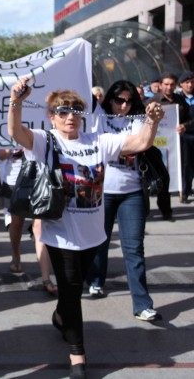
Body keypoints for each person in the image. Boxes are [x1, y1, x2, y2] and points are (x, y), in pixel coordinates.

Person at [8, 78, 164, 378]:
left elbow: (141, 142)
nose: (70, 117)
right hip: (60, 234)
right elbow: (15, 131)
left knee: (71, 293)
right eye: (63, 112)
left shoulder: (98, 141)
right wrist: (15, 99)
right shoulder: (47, 140)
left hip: (93, 235)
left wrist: (151, 121)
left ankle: (59, 316)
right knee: (71, 291)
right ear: (52, 116)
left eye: (75, 111)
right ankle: (77, 355)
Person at [86, 80, 160, 322]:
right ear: (110, 100)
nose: (124, 105)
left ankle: (142, 304)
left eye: (129, 100)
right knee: (100, 241)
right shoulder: (99, 116)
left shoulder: (137, 119)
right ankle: (96, 281)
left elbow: (142, 143)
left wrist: (152, 118)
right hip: (103, 190)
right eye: (119, 100)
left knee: (134, 249)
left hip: (133, 192)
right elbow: (82, 84)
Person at [0, 148, 57, 295]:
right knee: (16, 224)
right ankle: (16, 255)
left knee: (39, 227)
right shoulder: (5, 128)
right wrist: (10, 151)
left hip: (39, 180)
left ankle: (45, 277)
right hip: (13, 181)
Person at [145, 72, 192, 219]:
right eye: (166, 84)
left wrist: (184, 126)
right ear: (160, 84)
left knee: (168, 177)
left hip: (173, 144)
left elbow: (189, 119)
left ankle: (166, 210)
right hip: (154, 146)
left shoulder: (180, 101)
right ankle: (146, 210)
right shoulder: (152, 101)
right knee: (153, 177)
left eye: (172, 84)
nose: (169, 87)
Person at [177, 70, 194, 203]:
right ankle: (185, 191)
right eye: (186, 82)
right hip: (185, 137)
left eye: (192, 82)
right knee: (186, 164)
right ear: (181, 84)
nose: (190, 85)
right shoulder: (178, 99)